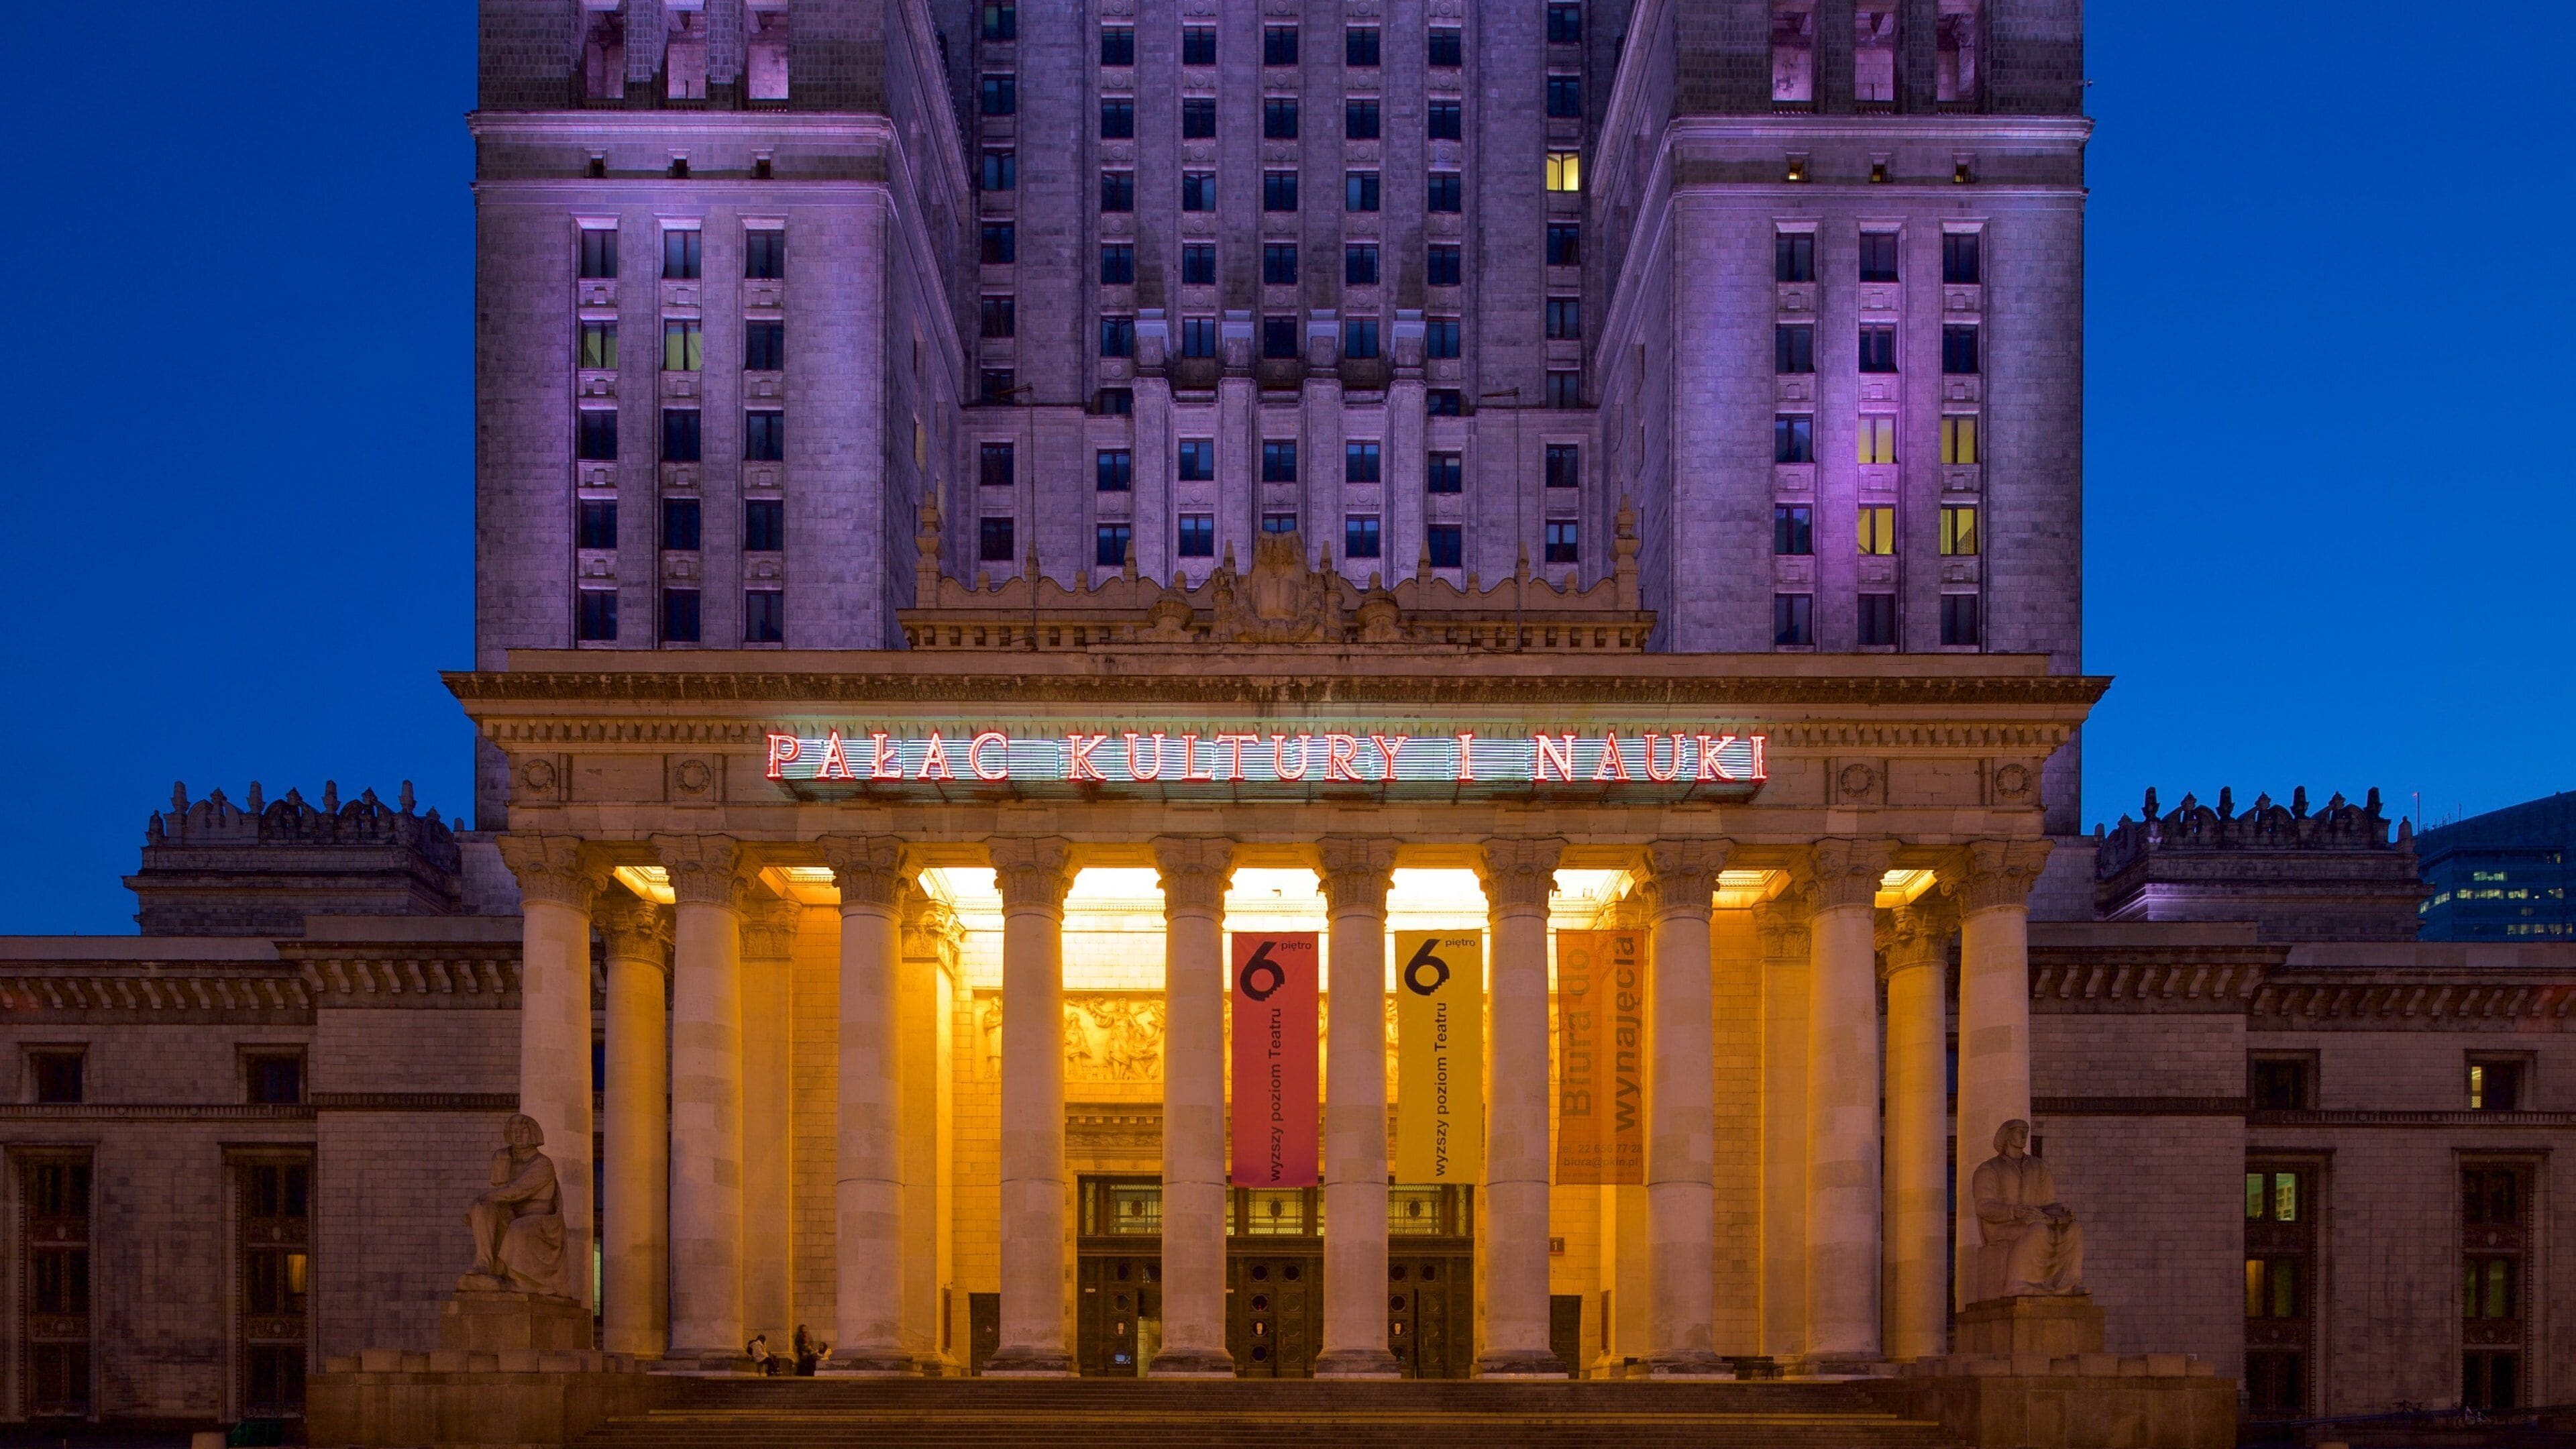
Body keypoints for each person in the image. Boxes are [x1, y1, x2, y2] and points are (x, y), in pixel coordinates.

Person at [1971, 1118, 2084, 1297]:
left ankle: (2068, 1284)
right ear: (2007, 1136)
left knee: (2075, 1229)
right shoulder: (1989, 1169)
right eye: (2019, 1131)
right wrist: (2013, 1211)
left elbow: (2049, 1203)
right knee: (2038, 1230)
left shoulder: (2039, 1167)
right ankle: (2017, 1284)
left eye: (2026, 1131)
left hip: (2034, 1221)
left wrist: (2062, 1212)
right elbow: (1984, 1206)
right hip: (2001, 1226)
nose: (2024, 1135)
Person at [462, 1114, 568, 1296]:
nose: (517, 1136)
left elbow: (516, 1191)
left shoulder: (543, 1164)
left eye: (523, 1131)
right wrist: (502, 1164)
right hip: (512, 1213)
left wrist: (483, 1198)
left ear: (533, 1134)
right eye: (513, 1131)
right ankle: (484, 1263)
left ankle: (520, 1281)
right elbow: (500, 1188)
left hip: (540, 1220)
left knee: (517, 1228)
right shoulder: (504, 1158)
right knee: (483, 1208)